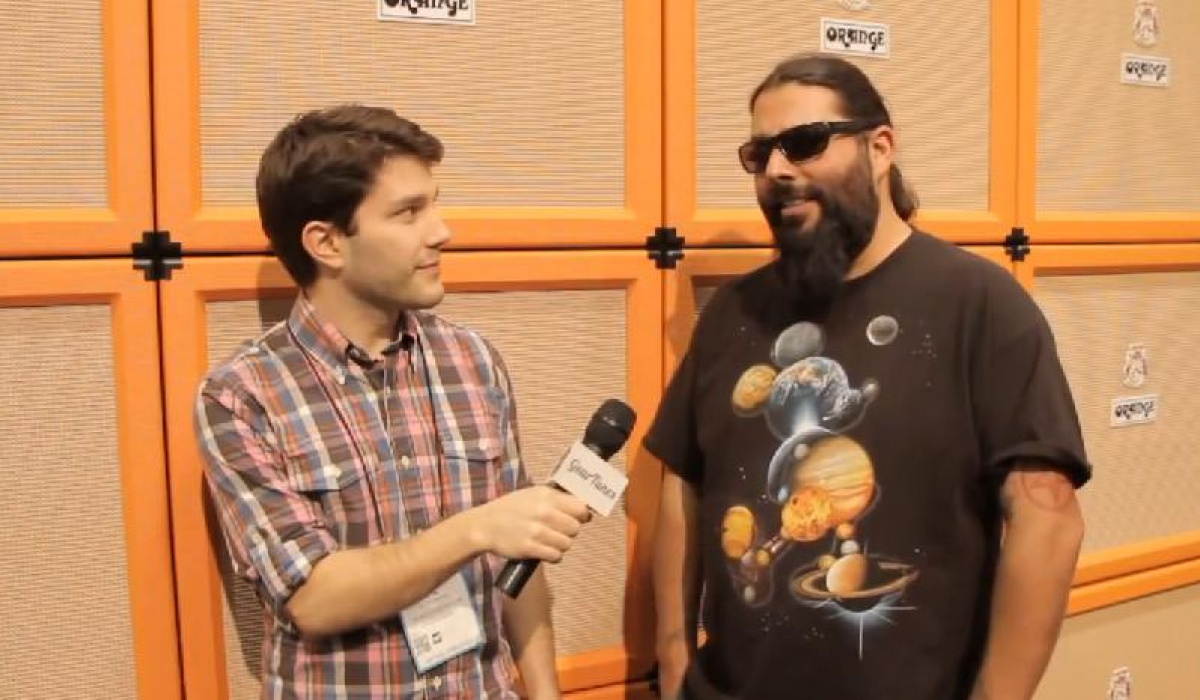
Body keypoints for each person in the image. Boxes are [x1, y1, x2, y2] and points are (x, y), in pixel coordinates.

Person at [646, 54, 1089, 700]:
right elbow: (683, 480)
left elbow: (1048, 519)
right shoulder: (731, 314)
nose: (777, 170)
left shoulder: (979, 305)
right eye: (760, 153)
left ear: (880, 148)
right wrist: (674, 657)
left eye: (805, 142)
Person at [195, 104, 590, 699]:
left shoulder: (473, 361)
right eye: (409, 212)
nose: (441, 231)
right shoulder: (242, 396)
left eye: (434, 204)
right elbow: (313, 598)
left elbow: (521, 561)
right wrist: (476, 530)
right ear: (326, 242)